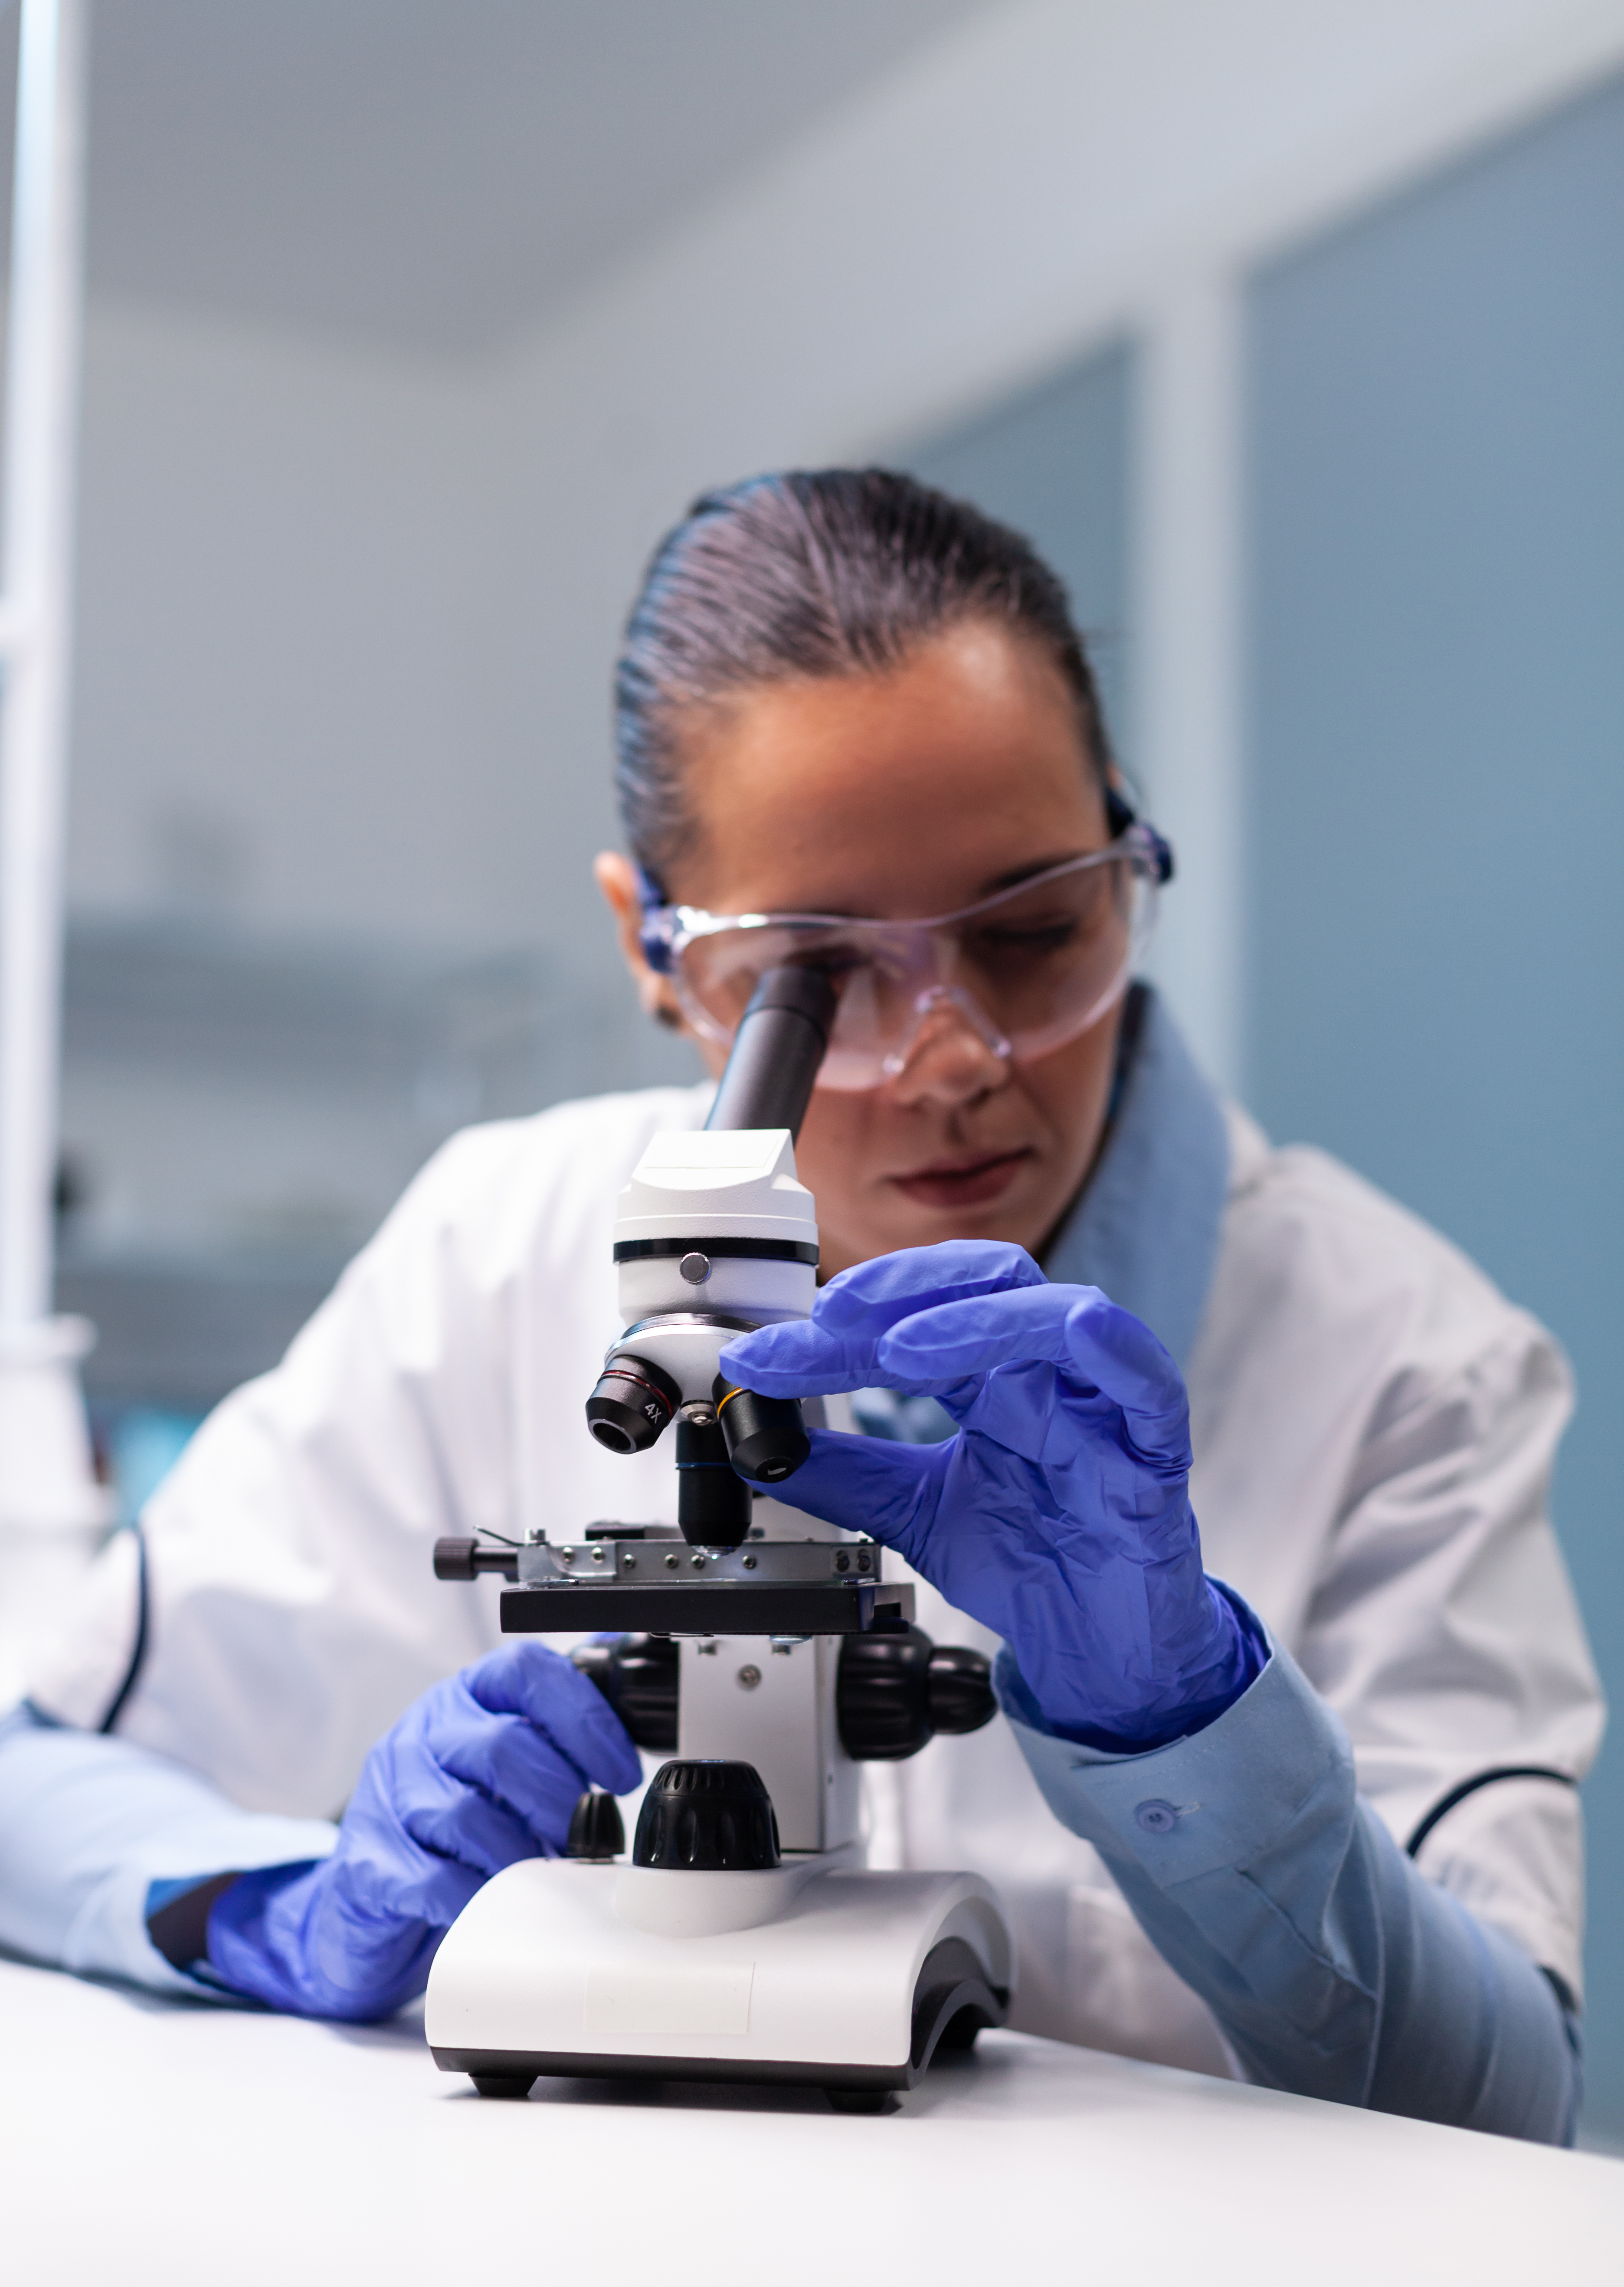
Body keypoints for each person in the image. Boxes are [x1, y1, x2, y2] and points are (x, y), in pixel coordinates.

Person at [0, 471, 1601, 2140]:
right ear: (652, 948)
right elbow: (33, 1788)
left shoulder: (1409, 1359)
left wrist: (1185, 1730)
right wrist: (291, 1908)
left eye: (1038, 928)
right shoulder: (500, 1241)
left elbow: (1510, 2111)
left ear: (1128, 844)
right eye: (818, 979)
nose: (960, 1057)